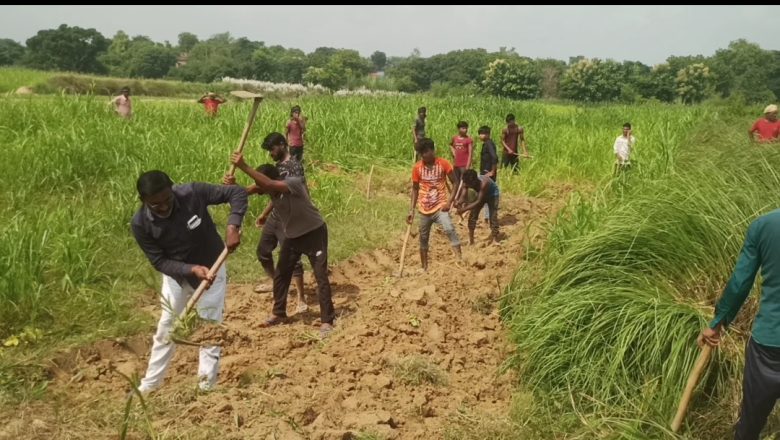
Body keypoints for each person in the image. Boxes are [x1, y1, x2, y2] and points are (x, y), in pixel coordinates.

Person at [131, 170, 247, 394]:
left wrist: (234, 224)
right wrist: (190, 269)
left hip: (213, 270)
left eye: (167, 200)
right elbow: (159, 261)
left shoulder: (192, 193)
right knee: (167, 327)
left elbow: (237, 192)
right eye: (156, 205)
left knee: (209, 328)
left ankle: (205, 388)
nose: (164, 207)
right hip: (177, 277)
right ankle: (149, 386)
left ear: (172, 189)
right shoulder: (140, 224)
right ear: (144, 201)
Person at [229, 151, 335, 339]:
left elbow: (268, 184)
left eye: (262, 185)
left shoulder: (292, 183)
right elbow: (245, 191)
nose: (262, 190)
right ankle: (279, 313)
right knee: (281, 274)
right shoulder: (269, 188)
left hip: (314, 232)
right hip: (293, 236)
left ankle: (327, 320)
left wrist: (244, 166)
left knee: (320, 276)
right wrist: (231, 186)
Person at [699, 209, 780, 439]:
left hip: (768, 349)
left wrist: (717, 323)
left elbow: (740, 283)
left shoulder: (764, 226)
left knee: (750, 424)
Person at [223, 132, 307, 313]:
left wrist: (243, 166)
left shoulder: (294, 167)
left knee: (292, 257)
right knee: (263, 252)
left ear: (282, 145)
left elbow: (274, 188)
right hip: (277, 214)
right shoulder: (275, 167)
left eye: (272, 148)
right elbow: (263, 187)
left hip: (292, 216)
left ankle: (301, 298)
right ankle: (276, 281)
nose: (270, 153)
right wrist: (234, 189)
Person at [407, 138, 462, 271]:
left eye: (426, 152)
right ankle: (424, 267)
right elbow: (415, 189)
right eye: (421, 153)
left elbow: (455, 182)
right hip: (424, 208)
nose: (424, 155)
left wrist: (450, 202)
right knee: (423, 237)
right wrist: (411, 210)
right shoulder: (417, 168)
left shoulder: (444, 164)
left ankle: (459, 259)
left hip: (440, 206)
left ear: (432, 150)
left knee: (449, 228)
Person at [456, 169, 500, 245]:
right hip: (480, 194)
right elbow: (463, 197)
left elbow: (478, 201)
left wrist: (464, 209)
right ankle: (471, 240)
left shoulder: (484, 183)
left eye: (469, 185)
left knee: (493, 216)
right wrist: (458, 203)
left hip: (492, 195)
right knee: (472, 216)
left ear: (474, 181)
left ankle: (495, 239)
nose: (467, 186)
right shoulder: (466, 181)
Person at [477, 125, 499, 223]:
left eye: (482, 134)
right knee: (485, 194)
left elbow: (494, 157)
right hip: (485, 173)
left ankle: (489, 216)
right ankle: (487, 217)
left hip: (487, 174)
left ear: (487, 134)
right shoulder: (486, 143)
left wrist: (492, 171)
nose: (480, 136)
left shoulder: (489, 144)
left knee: (486, 194)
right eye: (480, 134)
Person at [449, 121, 474, 188]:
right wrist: (453, 151)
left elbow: (470, 153)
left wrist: (468, 166)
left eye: (466, 128)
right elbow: (450, 145)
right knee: (456, 181)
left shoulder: (468, 140)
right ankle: (456, 195)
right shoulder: (455, 138)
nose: (465, 130)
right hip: (456, 164)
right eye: (463, 128)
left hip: (464, 165)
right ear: (458, 129)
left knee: (463, 182)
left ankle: (461, 197)